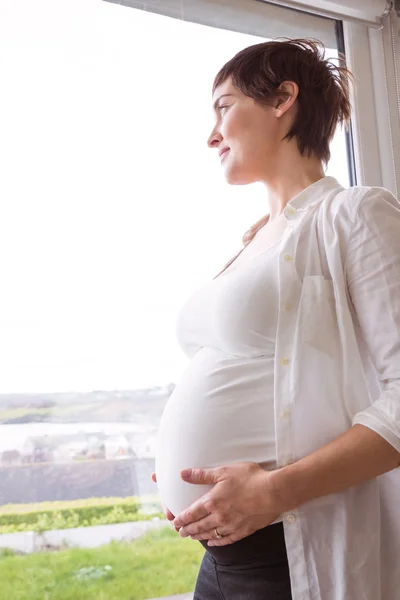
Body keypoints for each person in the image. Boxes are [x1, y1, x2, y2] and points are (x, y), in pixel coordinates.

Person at [151, 38, 400, 600]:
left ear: (284, 98)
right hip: (223, 557)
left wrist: (274, 490)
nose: (211, 134)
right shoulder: (253, 242)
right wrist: (182, 467)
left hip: (286, 547)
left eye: (224, 106)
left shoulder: (355, 214)